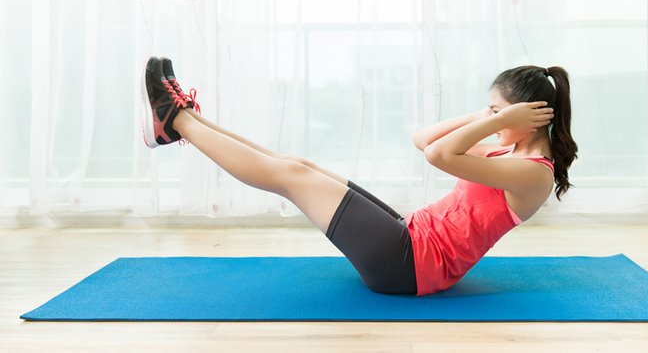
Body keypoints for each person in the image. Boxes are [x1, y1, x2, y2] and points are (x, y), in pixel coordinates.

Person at [141, 57, 578, 297]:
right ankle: (188, 119)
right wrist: (489, 114)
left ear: (534, 118)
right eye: (492, 111)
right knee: (301, 165)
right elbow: (421, 137)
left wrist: (497, 118)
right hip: (411, 237)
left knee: (291, 176)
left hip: (408, 268)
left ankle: (175, 122)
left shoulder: (532, 176)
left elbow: (438, 154)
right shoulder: (506, 148)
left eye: (500, 113)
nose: (491, 119)